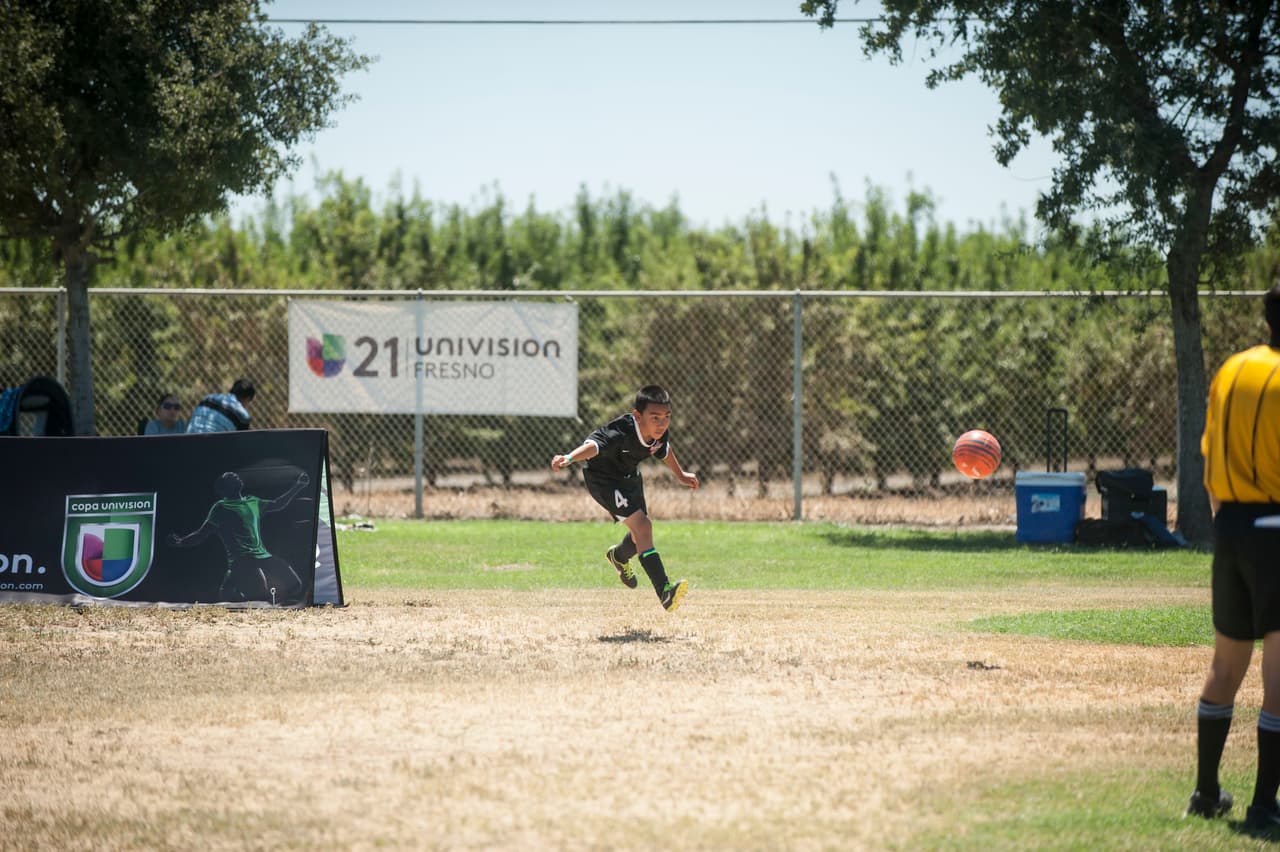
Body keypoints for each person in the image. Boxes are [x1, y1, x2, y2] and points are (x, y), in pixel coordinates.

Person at [1189, 281, 1280, 832]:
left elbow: (1209, 455)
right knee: (1279, 677)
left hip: (1232, 527)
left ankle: (1205, 791)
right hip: (1277, 526)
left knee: (1225, 665)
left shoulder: (1232, 370)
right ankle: (1264, 806)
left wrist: (1227, 522)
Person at [550, 384, 699, 612]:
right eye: (655, 417)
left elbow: (664, 450)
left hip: (629, 476)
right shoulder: (621, 431)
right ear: (638, 416)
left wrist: (681, 475)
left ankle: (618, 556)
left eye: (667, 417)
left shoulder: (659, 432)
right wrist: (569, 458)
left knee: (640, 535)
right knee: (643, 526)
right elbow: (593, 446)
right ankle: (665, 593)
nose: (662, 423)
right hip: (604, 479)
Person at [167, 470, 310, 605]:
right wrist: (180, 542)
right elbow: (201, 534)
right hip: (242, 561)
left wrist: (298, 486)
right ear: (225, 489)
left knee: (295, 586)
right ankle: (233, 583)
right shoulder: (220, 507)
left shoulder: (253, 501)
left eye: (235, 475)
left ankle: (230, 583)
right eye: (230, 477)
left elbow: (278, 504)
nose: (235, 476)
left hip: (263, 556)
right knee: (260, 598)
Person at [187, 378, 254, 433]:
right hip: (214, 446)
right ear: (247, 398)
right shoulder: (243, 415)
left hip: (187, 442)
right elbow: (242, 440)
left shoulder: (208, 398)